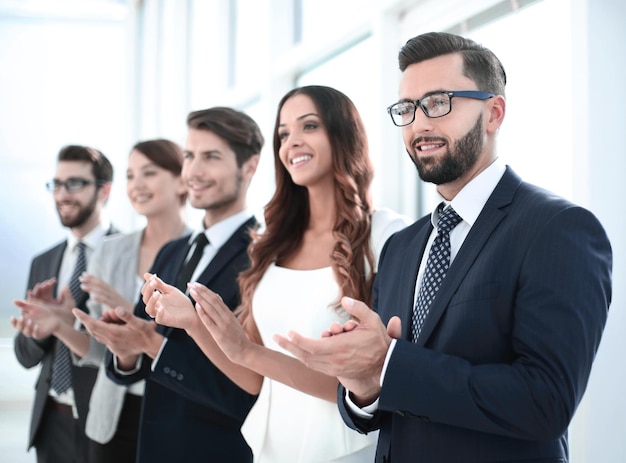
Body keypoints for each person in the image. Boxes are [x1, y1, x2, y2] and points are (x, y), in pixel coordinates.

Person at [274, 32, 613, 463]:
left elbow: (545, 403)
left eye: (438, 103)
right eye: (407, 109)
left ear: (494, 113)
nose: (419, 124)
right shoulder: (401, 247)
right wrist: (363, 382)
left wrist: (390, 363)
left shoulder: (558, 228)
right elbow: (379, 406)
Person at [143, 85, 411, 462]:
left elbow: (370, 382)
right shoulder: (272, 243)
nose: (292, 142)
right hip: (270, 451)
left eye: (309, 126)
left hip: (349, 451)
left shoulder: (388, 236)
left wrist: (246, 351)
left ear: (343, 134)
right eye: (284, 133)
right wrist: (193, 322)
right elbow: (255, 377)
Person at [72, 107, 263, 463]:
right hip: (154, 447)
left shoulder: (262, 257)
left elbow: (251, 388)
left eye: (211, 157)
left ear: (249, 167)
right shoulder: (173, 252)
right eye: (190, 156)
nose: (194, 171)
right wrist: (126, 349)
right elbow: (142, 364)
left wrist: (151, 343)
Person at [15, 139, 191, 462]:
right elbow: (99, 351)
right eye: (131, 175)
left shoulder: (197, 251)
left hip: (169, 415)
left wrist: (124, 306)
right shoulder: (106, 254)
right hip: (100, 418)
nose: (137, 185)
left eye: (148, 173)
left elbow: (190, 351)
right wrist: (58, 325)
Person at [11, 144, 117, 463]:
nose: (62, 194)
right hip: (50, 422)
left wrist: (71, 325)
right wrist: (40, 331)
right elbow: (25, 356)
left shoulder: (126, 255)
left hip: (105, 423)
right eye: (57, 184)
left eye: (74, 183)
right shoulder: (43, 263)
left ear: (104, 191)